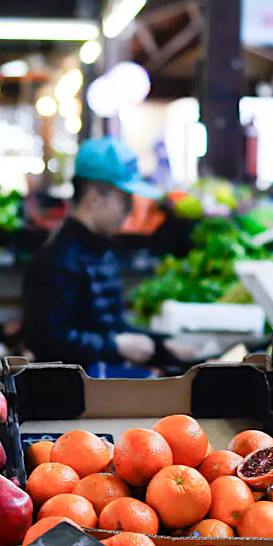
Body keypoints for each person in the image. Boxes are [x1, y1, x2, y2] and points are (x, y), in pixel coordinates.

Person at [22, 138, 159, 372]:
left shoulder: (99, 248)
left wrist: (161, 345)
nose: (129, 212)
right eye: (125, 201)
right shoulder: (58, 258)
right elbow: (46, 339)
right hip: (73, 398)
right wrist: (115, 345)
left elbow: (108, 323)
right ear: (95, 197)